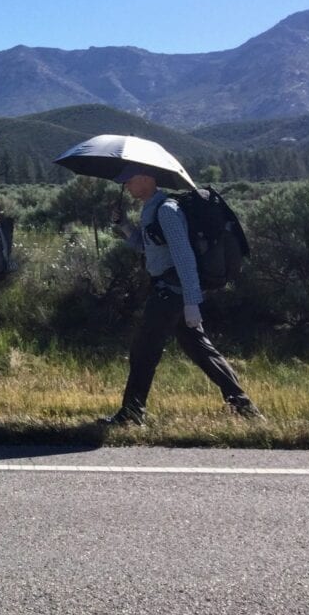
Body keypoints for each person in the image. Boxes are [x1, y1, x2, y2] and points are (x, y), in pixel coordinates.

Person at [104, 163, 262, 425]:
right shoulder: (153, 208)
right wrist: (124, 225)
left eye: (129, 180)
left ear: (146, 179)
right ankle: (245, 408)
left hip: (170, 294)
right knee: (201, 350)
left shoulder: (167, 210)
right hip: (172, 292)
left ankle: (131, 414)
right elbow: (149, 247)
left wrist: (192, 302)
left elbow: (184, 257)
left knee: (144, 351)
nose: (126, 185)